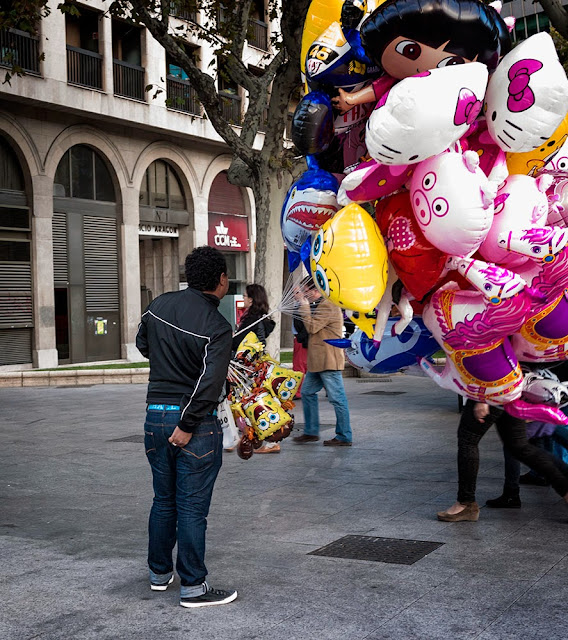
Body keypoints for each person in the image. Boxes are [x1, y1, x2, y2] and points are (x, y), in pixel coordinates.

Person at [136, 246, 237, 608]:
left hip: (154, 416)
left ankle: (159, 573)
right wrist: (189, 424)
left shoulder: (158, 305)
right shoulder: (217, 327)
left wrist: (167, 359)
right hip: (190, 423)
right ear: (221, 280)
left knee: (164, 499)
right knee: (192, 507)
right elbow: (210, 385)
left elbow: (142, 343)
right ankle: (194, 587)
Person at [437, 400, 568, 522]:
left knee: (468, 439)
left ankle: (465, 503)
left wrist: (482, 399)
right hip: (509, 391)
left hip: (493, 389)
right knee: (520, 446)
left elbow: (491, 373)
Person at [293, 287, 352, 446]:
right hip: (318, 361)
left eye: (306, 291)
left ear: (315, 290)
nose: (305, 295)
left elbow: (312, 327)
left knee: (337, 398)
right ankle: (311, 432)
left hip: (328, 360)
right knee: (307, 392)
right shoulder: (321, 304)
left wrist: (303, 305)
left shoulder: (328, 305)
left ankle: (344, 435)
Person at [232, 283, 278, 454]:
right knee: (254, 403)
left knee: (257, 403)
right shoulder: (256, 317)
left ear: (251, 300)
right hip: (254, 366)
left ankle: (269, 442)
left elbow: (242, 342)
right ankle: (257, 438)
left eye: (244, 296)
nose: (242, 298)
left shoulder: (252, 319)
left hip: (250, 367)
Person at [232, 283, 275, 352]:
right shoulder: (260, 318)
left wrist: (232, 336)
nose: (243, 298)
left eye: (244, 296)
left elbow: (237, 342)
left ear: (250, 299)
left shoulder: (251, 320)